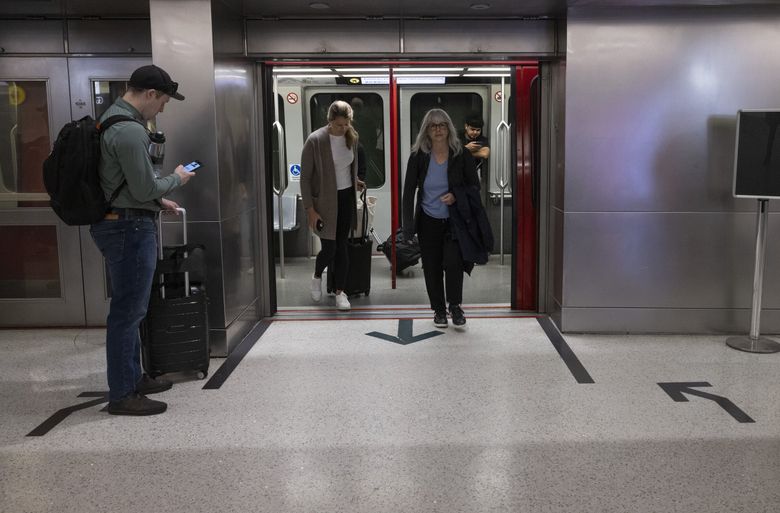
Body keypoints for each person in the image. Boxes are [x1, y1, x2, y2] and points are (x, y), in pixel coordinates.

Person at [89, 65, 194, 416]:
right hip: (128, 229)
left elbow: (128, 186)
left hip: (127, 221)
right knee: (127, 313)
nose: (162, 108)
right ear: (150, 94)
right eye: (162, 101)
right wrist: (176, 179)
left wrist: (156, 202)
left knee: (132, 310)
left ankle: (134, 378)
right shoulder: (130, 131)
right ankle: (122, 393)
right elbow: (145, 186)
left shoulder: (113, 121)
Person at [403, 109, 480, 330]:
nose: (438, 129)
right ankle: (438, 310)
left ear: (449, 128)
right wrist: (408, 228)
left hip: (455, 221)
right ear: (426, 130)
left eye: (442, 125)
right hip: (428, 221)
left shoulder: (461, 154)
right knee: (432, 266)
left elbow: (475, 185)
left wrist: (457, 195)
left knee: (454, 263)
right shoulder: (418, 156)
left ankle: (455, 306)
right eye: (433, 125)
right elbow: (408, 192)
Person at [301, 100, 364, 311]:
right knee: (330, 248)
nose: (344, 128)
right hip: (325, 201)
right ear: (329, 121)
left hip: (346, 197)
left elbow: (348, 166)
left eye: (346, 124)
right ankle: (317, 275)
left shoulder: (351, 137)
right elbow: (305, 178)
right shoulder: (315, 140)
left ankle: (340, 292)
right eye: (339, 125)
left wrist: (355, 181)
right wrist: (310, 209)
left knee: (343, 247)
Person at [461, 114, 490, 180]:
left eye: (478, 130)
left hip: (474, 174)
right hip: (459, 173)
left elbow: (485, 154)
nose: (475, 132)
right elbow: (450, 152)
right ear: (466, 126)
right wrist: (466, 148)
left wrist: (463, 151)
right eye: (472, 129)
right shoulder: (457, 137)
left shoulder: (481, 139)